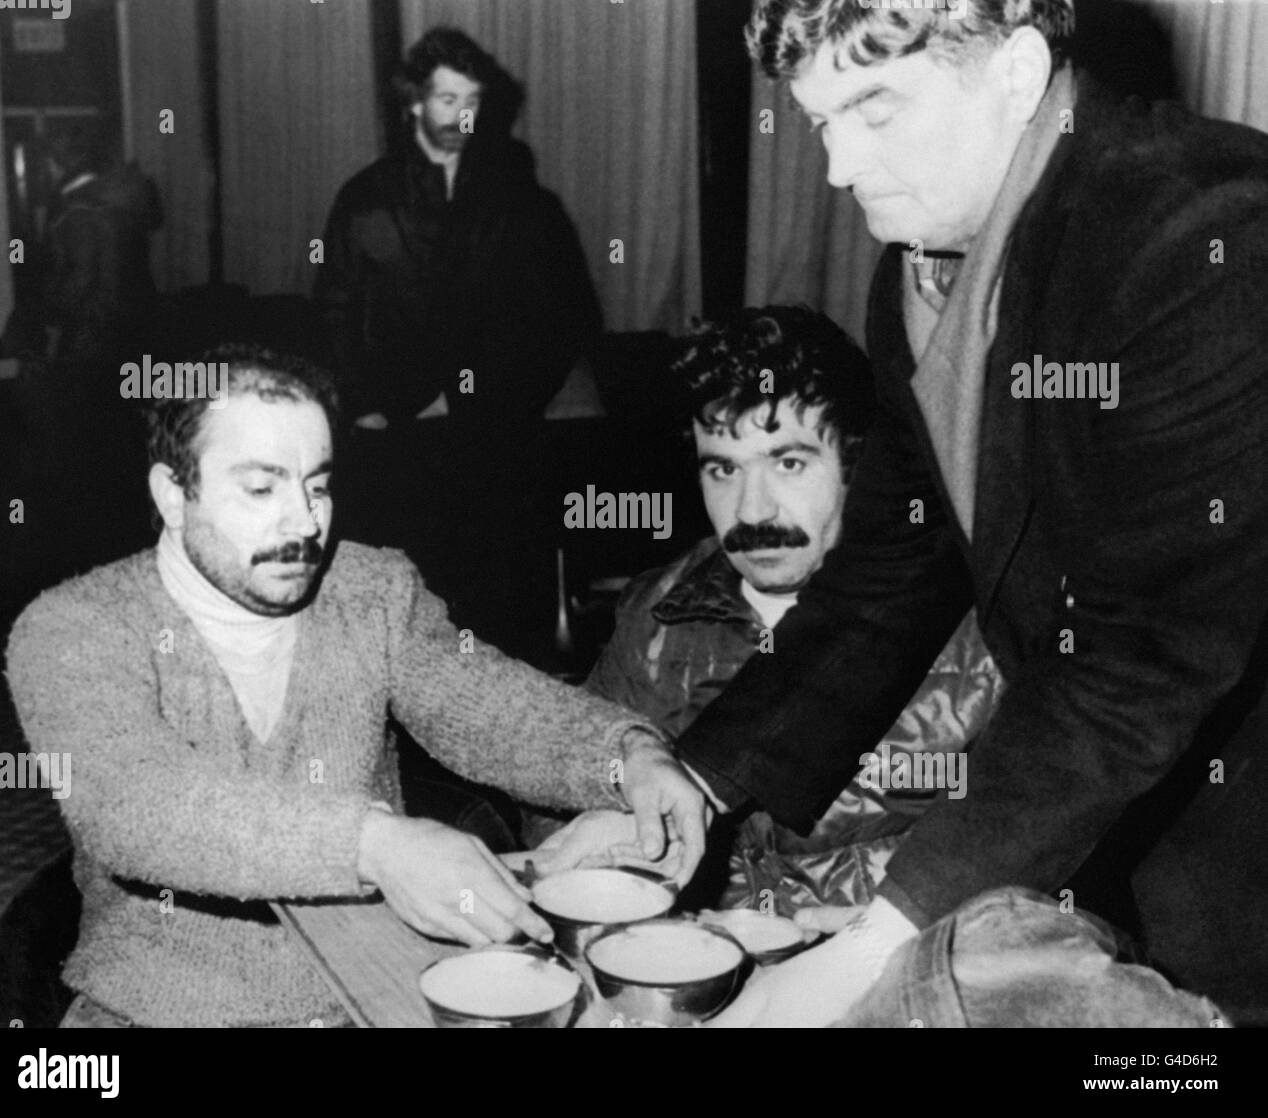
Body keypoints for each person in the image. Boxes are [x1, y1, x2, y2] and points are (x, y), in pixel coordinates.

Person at [615, 0, 1268, 1026]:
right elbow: (894, 568)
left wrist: (869, 946)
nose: (835, 167)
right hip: (1087, 835)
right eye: (820, 117)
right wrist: (702, 776)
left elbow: (1143, 656)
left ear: (1012, 72)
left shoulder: (1206, 230)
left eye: (873, 105)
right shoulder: (915, 268)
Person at [5, 344, 703, 1028]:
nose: (306, 522)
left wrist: (628, 757)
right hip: (161, 1010)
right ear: (172, 494)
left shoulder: (371, 590)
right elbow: (135, 805)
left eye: (317, 483)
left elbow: (490, 706)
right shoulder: (73, 628)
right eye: (261, 487)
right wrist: (376, 845)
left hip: (379, 986)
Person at [565, 306, 1001, 916]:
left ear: (863, 465)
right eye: (723, 469)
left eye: (789, 463)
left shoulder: (980, 624)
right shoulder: (656, 613)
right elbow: (574, 798)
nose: (752, 511)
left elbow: (1030, 869)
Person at [314, 26, 601, 656]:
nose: (459, 117)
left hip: (491, 434)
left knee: (493, 612)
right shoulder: (365, 200)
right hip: (391, 435)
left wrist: (491, 399)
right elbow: (334, 312)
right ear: (413, 101)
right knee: (401, 613)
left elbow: (562, 320)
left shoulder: (521, 203)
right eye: (446, 101)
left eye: (470, 103)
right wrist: (364, 406)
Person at [0, 121, 163, 577]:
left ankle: (79, 559)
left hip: (86, 348)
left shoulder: (80, 212)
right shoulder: (114, 205)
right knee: (111, 450)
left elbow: (76, 286)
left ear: (57, 161)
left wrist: (37, 318)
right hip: (123, 343)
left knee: (73, 457)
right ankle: (118, 549)